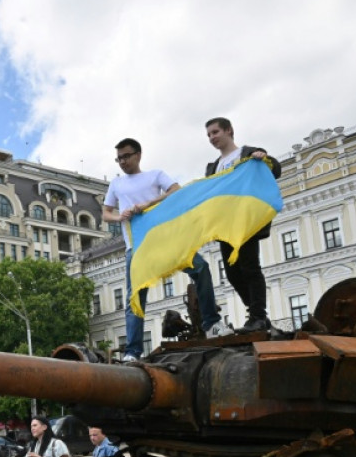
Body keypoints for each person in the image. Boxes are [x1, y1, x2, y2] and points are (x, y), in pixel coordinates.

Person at [103, 137, 232, 360]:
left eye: (126, 156)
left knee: (201, 268)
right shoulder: (116, 184)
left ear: (138, 155)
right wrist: (119, 217)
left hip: (167, 240)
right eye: (119, 158)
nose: (122, 162)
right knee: (135, 297)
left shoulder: (155, 175)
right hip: (138, 247)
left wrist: (150, 203)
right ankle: (133, 351)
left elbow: (176, 190)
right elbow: (106, 213)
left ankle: (211, 324)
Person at [204, 118, 283, 332]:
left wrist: (264, 158)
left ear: (229, 130)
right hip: (225, 225)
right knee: (232, 273)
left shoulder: (247, 154)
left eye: (215, 132)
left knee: (250, 267)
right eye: (209, 135)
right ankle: (258, 314)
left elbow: (275, 169)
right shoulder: (213, 167)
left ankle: (257, 316)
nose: (212, 137)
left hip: (245, 221)